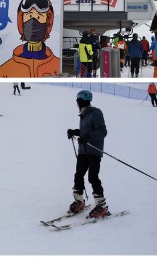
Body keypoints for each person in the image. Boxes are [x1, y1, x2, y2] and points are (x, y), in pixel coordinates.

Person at [66, 90, 109, 219]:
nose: (76, 103)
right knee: (78, 175)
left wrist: (88, 137)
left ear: (80, 101)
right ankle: (79, 201)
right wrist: (75, 132)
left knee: (92, 177)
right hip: (83, 151)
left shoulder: (95, 114)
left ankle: (101, 206)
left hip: (94, 151)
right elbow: (86, 131)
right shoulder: (84, 114)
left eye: (77, 100)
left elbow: (102, 131)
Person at [0, 0, 60, 77]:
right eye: (29, 16)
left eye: (39, 17)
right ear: (21, 22)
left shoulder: (57, 66)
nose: (33, 22)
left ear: (48, 23)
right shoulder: (4, 71)